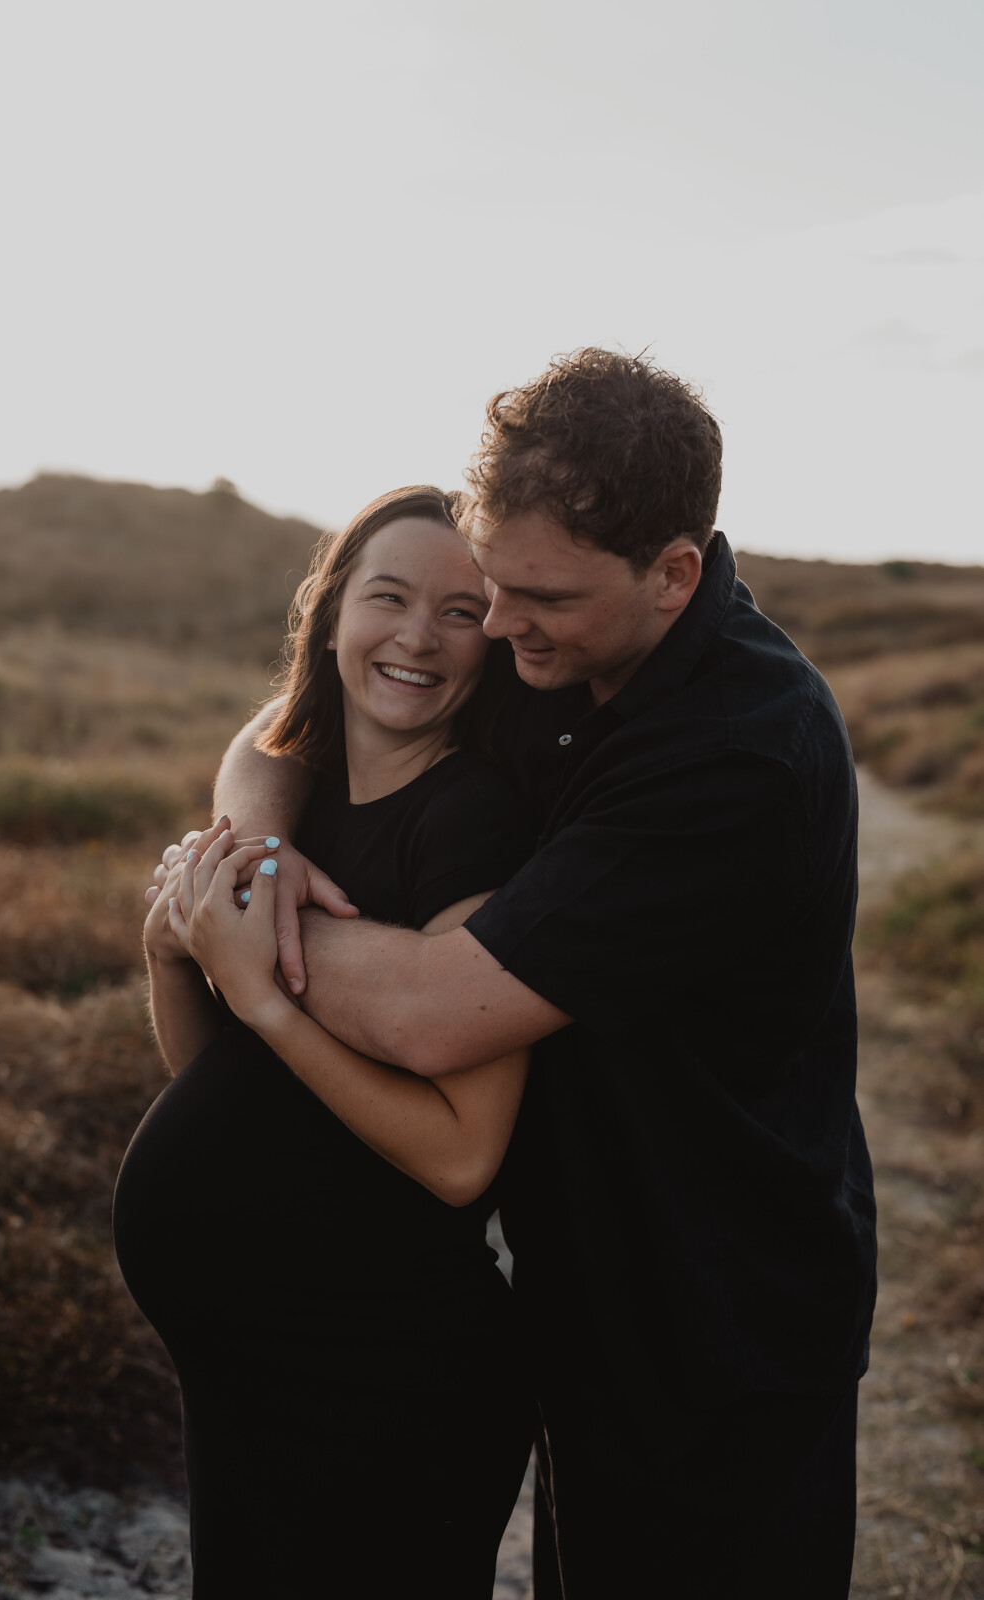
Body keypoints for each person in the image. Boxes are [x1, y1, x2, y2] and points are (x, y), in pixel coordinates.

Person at [180, 349, 878, 1600]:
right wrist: (263, 855)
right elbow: (285, 728)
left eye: (534, 597)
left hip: (718, 1318)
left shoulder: (735, 756)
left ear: (673, 574)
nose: (496, 627)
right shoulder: (558, 641)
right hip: (580, 1279)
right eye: (490, 585)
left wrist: (234, 930)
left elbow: (435, 1011)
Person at [113, 486, 535, 1600]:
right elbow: (231, 1094)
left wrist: (266, 1003)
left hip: (383, 1382)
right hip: (251, 1370)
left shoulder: (474, 825)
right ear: (330, 611)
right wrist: (172, 960)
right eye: (387, 597)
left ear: (495, 640)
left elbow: (462, 1157)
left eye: (460, 611)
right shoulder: (299, 812)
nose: (416, 636)